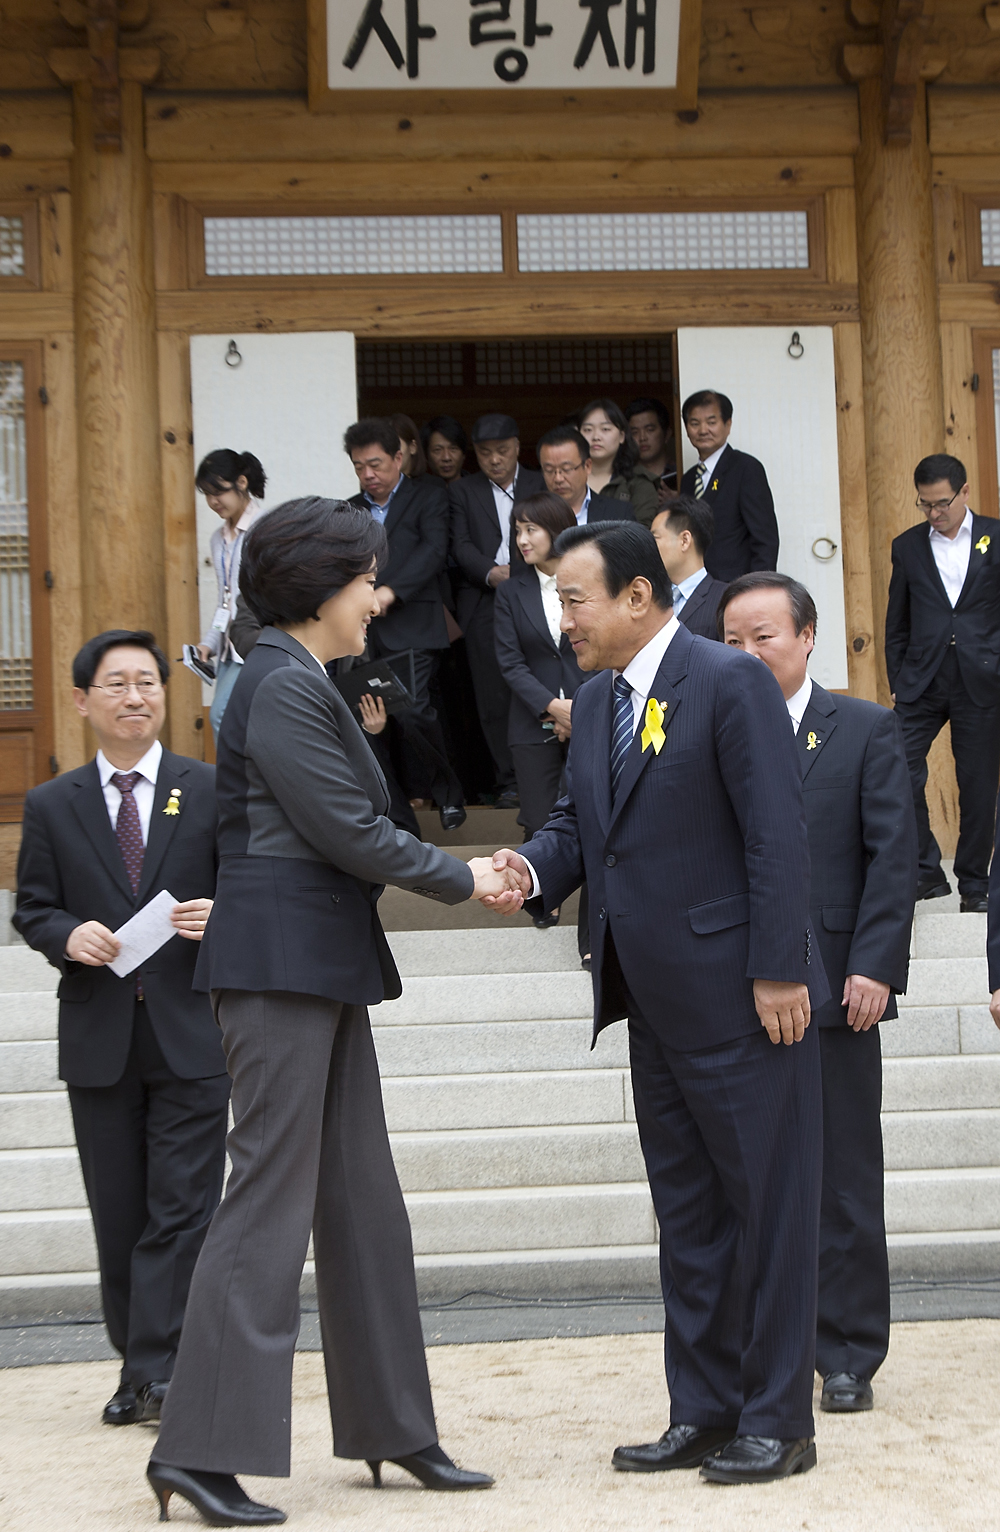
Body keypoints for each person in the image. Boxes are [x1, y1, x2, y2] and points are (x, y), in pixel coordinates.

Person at [147, 498, 520, 1527]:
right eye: (365, 577)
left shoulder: (295, 675)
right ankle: (200, 1447)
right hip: (275, 966)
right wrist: (468, 872)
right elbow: (350, 831)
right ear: (321, 587)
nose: (377, 595)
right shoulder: (274, 680)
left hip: (318, 960)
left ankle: (395, 1425)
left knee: (361, 1201)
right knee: (265, 1203)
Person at [488, 521, 828, 1486]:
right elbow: (578, 824)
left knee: (769, 1211)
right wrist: (527, 868)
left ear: (639, 595)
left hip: (743, 1000)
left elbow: (775, 832)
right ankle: (705, 1409)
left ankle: (778, 1419)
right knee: (688, 1218)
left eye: (575, 600)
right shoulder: (596, 701)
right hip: (650, 1001)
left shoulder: (729, 681)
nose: (565, 623)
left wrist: (778, 967)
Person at [13, 631, 227, 1429]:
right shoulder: (53, 803)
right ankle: (138, 1364)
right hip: (100, 1039)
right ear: (82, 701)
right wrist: (64, 935)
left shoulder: (206, 788)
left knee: (183, 1208)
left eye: (147, 681)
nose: (135, 696)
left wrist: (226, 916)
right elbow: (31, 907)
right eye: (116, 684)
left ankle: (159, 1370)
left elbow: (250, 880)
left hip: (193, 1034)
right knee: (121, 1214)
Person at [720, 571, 917, 1416]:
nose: (749, 652)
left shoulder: (866, 730)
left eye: (764, 635)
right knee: (750, 1178)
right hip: (735, 989)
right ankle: (766, 1344)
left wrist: (872, 965)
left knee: (840, 1177)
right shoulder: (708, 728)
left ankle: (845, 1351)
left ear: (806, 638)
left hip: (839, 987)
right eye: (731, 639)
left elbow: (892, 859)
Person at [885, 453, 1000, 911]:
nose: (935, 513)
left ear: (964, 493)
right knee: (898, 769)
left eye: (943, 503)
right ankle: (926, 872)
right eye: (926, 505)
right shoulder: (908, 545)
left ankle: (975, 884)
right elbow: (897, 621)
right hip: (921, 680)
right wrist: (897, 678)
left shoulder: (995, 536)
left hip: (982, 678)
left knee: (977, 784)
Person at [345, 417, 466, 832]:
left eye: (375, 464)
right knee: (371, 721)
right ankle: (395, 814)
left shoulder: (427, 497)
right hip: (363, 633)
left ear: (400, 457)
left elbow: (433, 552)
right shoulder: (350, 510)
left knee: (415, 711)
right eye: (359, 466)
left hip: (414, 622)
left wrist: (389, 593)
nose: (368, 475)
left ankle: (449, 793)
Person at [493, 491, 587, 930]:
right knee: (537, 814)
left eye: (531, 528)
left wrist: (579, 710)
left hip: (589, 713)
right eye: (517, 530)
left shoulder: (585, 581)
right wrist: (553, 707)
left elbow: (603, 650)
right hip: (531, 718)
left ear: (557, 529)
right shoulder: (511, 591)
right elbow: (509, 662)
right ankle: (542, 895)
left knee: (589, 805)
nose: (522, 539)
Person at [449, 412, 544, 807]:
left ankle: (541, 774)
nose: (494, 460)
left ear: (517, 448)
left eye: (502, 451)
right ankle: (507, 781)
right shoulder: (463, 490)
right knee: (491, 696)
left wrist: (521, 573)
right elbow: (459, 545)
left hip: (538, 595)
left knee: (537, 681)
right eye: (485, 453)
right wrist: (491, 573)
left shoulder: (540, 483)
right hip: (485, 600)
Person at [195, 449, 266, 741]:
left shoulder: (264, 528)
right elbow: (225, 600)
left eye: (219, 492)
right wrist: (208, 644)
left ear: (241, 482)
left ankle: (232, 782)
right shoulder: (218, 538)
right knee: (235, 717)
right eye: (207, 494)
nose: (213, 501)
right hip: (228, 646)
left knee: (222, 715)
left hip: (252, 638)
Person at [679, 391, 779, 581]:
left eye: (711, 422)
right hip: (696, 587)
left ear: (728, 424)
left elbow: (765, 540)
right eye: (694, 423)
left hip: (735, 585)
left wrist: (757, 588)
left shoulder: (746, 469)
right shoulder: (688, 479)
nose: (703, 430)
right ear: (686, 428)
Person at [650, 494, 727, 640]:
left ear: (685, 540)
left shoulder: (725, 599)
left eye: (655, 538)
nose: (650, 547)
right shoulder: (651, 599)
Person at [578, 398, 660, 527]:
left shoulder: (638, 482)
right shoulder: (567, 478)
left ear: (622, 436)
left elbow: (642, 533)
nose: (596, 437)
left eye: (605, 429)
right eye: (588, 430)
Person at [537, 425, 637, 530]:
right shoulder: (530, 514)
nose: (558, 478)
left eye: (566, 469)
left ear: (588, 466)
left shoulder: (619, 513)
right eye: (549, 470)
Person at [625, 396, 676, 496]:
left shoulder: (681, 474)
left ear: (667, 434)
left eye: (650, 430)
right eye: (635, 432)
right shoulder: (623, 478)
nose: (642, 438)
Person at [421, 414, 468, 485]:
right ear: (426, 456)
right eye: (437, 450)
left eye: (453, 449)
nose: (446, 458)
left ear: (463, 454)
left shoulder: (477, 491)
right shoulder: (416, 493)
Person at [390, 413, 428, 478]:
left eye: (396, 446)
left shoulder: (432, 485)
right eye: (385, 447)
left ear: (413, 447)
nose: (391, 452)